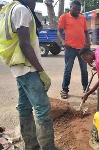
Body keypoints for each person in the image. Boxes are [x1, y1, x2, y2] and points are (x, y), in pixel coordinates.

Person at [0, 0, 58, 149]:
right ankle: (47, 147)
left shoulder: (10, 9)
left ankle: (32, 145)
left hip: (18, 66)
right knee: (43, 108)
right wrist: (41, 71)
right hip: (27, 67)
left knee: (25, 106)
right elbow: (24, 44)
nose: (35, 2)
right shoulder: (21, 10)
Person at [57, 0, 90, 99]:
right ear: (70, 7)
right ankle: (65, 89)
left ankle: (86, 88)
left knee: (84, 70)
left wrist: (88, 43)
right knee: (68, 69)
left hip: (82, 48)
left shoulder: (82, 18)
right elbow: (59, 32)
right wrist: (63, 42)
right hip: (70, 48)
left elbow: (86, 32)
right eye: (75, 9)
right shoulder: (64, 17)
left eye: (79, 10)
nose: (77, 11)